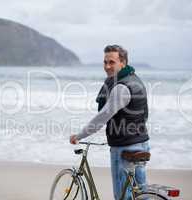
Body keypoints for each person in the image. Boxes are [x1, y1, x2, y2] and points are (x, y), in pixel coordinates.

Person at [70, 44, 150, 200]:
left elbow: (102, 117)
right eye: (105, 62)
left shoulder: (121, 87)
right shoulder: (136, 80)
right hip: (142, 143)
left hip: (124, 147)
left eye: (112, 62)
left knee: (122, 196)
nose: (107, 66)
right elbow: (144, 115)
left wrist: (79, 136)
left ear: (123, 63)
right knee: (141, 195)